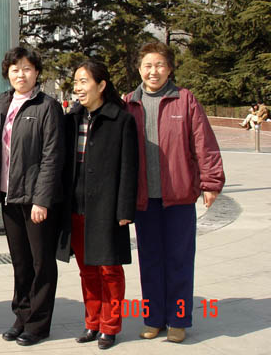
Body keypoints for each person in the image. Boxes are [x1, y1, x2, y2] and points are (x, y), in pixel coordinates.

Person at [124, 41, 225, 343]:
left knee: (179, 259)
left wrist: (211, 182)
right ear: (139, 69)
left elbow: (204, 143)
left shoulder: (185, 100)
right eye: (147, 65)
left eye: (159, 65)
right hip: (144, 199)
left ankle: (179, 319)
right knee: (150, 260)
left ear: (169, 68)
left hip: (179, 197)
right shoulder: (129, 103)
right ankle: (153, 318)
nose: (153, 71)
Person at [56, 60, 138, 350]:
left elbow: (129, 168)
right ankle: (92, 323)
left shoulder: (121, 120)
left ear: (101, 85)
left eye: (84, 81)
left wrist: (125, 209)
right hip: (76, 207)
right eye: (76, 82)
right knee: (87, 270)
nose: (78, 88)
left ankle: (110, 326)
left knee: (109, 270)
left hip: (106, 208)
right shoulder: (71, 119)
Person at [0, 47, 64, 346]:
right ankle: (21, 316)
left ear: (37, 72)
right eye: (15, 68)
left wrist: (42, 199)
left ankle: (38, 323)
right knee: (20, 262)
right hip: (8, 195)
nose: (21, 74)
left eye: (27, 68)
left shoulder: (48, 106)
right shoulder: (0, 104)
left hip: (35, 199)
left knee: (41, 263)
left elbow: (52, 156)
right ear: (7, 73)